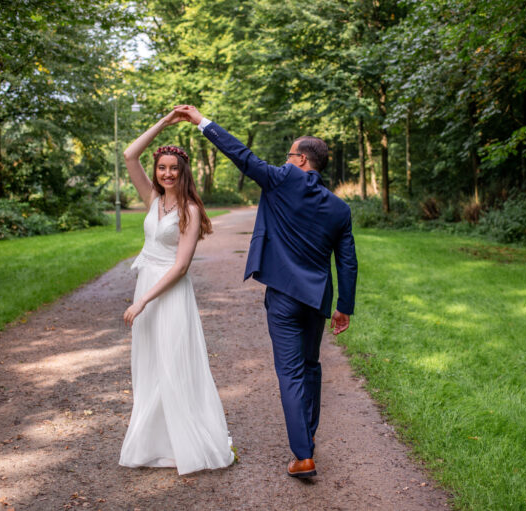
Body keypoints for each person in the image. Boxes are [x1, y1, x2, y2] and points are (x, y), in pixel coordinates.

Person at [173, 104, 358, 478]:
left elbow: (241, 155)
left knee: (290, 374)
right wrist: (344, 307)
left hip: (284, 299)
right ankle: (307, 438)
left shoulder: (280, 180)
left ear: (302, 160)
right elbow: (348, 262)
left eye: (289, 155)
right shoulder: (340, 208)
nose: (285, 160)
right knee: (311, 369)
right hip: (317, 300)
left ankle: (303, 455)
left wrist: (202, 121)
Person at [118, 109, 235, 474]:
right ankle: (155, 444)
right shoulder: (153, 199)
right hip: (146, 284)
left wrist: (142, 301)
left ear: (184, 172)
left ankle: (190, 444)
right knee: (149, 366)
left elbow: (181, 266)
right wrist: (164, 122)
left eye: (173, 168)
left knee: (173, 364)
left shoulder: (190, 210)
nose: (166, 173)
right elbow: (129, 155)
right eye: (162, 167)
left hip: (167, 293)